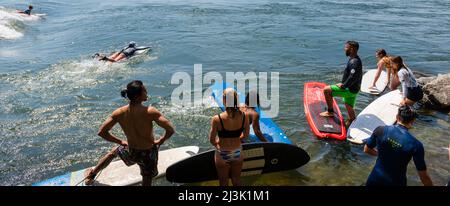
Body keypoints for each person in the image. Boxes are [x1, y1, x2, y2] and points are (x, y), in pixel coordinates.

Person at [84, 80, 174, 186]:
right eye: (145, 91)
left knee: (114, 152)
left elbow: (102, 132)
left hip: (132, 152)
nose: (147, 92)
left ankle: (91, 175)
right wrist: (160, 141)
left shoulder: (119, 112)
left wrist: (121, 141)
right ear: (137, 96)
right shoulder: (150, 112)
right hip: (147, 154)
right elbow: (170, 130)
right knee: (146, 178)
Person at [364, 105, 433, 186]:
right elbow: (423, 176)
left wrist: (384, 155)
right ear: (412, 121)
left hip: (374, 179)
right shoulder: (416, 145)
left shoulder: (380, 130)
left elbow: (366, 149)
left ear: (397, 117)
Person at [209, 88, 250, 186]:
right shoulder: (244, 116)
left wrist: (218, 144)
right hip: (237, 153)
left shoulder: (217, 119)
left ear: (224, 100)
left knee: (223, 183)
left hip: (222, 153)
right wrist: (236, 139)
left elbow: (211, 140)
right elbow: (246, 135)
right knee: (236, 180)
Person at [320, 41, 363, 127]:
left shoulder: (354, 62)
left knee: (326, 90)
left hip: (349, 89)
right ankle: (352, 121)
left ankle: (330, 112)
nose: (344, 49)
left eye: (346, 47)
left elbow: (352, 77)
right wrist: (344, 83)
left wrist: (343, 86)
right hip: (354, 89)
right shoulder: (356, 59)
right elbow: (354, 76)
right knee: (348, 105)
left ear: (351, 49)